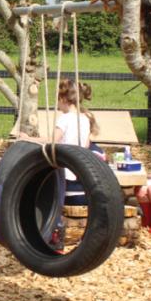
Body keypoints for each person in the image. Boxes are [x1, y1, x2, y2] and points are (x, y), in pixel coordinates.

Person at [20, 79, 102, 249]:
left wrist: (28, 139)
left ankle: (54, 234)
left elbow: (52, 141)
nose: (57, 103)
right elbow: (85, 145)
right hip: (79, 170)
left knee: (52, 199)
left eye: (57, 99)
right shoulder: (85, 119)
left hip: (64, 172)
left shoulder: (64, 119)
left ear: (64, 99)